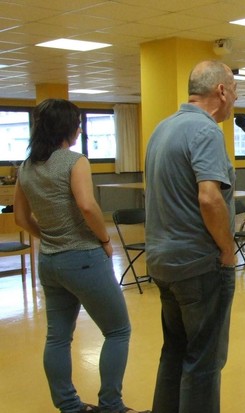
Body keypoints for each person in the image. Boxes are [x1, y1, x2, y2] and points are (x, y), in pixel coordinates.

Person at [14, 99, 149, 413]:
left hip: (49, 261)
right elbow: (87, 206)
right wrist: (104, 239)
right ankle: (111, 405)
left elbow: (21, 218)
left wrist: (46, 236)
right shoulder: (75, 161)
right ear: (68, 128)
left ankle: (69, 406)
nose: (80, 129)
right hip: (84, 258)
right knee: (118, 330)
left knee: (58, 337)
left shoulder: (26, 166)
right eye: (78, 123)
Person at [144, 60, 237, 413]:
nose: (235, 99)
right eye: (235, 90)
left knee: (174, 352)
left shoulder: (162, 128)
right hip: (198, 265)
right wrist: (227, 249)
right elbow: (209, 197)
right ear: (221, 91)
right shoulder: (206, 130)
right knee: (203, 362)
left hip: (164, 261)